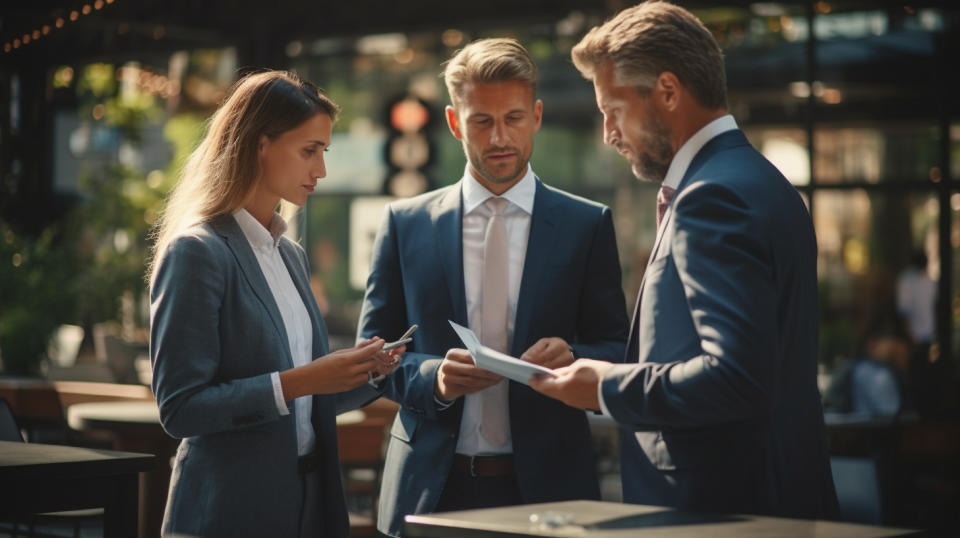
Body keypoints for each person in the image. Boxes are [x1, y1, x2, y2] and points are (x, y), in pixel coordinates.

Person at [530, 1, 839, 519]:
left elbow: (738, 378)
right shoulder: (765, 183)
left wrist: (606, 387)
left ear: (669, 92)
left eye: (614, 110)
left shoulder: (710, 198)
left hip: (724, 513)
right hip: (771, 498)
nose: (608, 133)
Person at [358, 38, 629, 537]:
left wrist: (574, 354)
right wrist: (433, 377)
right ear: (455, 122)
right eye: (482, 121)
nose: (500, 136)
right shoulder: (405, 223)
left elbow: (618, 347)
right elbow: (374, 355)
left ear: (538, 116)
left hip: (551, 491)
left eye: (514, 118)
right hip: (432, 490)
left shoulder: (586, 225)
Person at [149, 70, 404, 538]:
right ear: (259, 144)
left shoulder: (290, 255)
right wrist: (301, 380)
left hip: (310, 503)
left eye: (323, 152)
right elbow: (181, 408)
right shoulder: (197, 252)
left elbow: (305, 397)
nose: (321, 170)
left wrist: (365, 370)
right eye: (309, 151)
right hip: (230, 510)